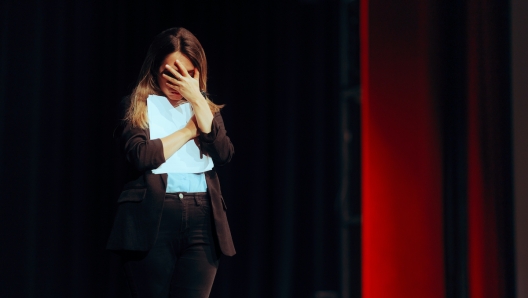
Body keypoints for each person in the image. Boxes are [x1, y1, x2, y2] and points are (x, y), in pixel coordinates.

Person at [106, 27, 235, 298]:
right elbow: (141, 156)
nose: (179, 82)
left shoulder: (205, 110)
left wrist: (198, 98)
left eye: (188, 74)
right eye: (171, 73)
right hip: (154, 214)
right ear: (155, 69)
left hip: (202, 216)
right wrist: (189, 132)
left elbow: (223, 153)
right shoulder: (135, 106)